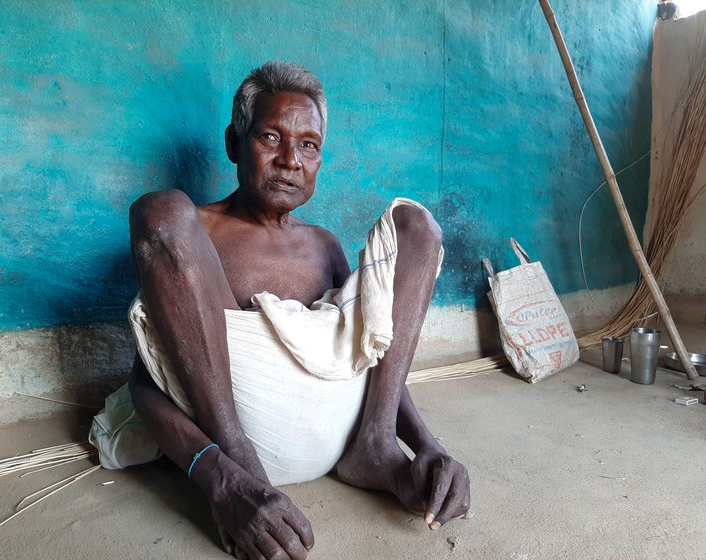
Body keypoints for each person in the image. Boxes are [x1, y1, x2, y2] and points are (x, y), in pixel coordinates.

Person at [126, 61, 470, 560]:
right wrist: (222, 480)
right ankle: (241, 460)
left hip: (344, 434)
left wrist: (428, 445)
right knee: (158, 209)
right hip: (238, 449)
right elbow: (146, 383)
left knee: (417, 225)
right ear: (233, 143)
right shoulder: (191, 235)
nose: (291, 159)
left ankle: (374, 446)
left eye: (308, 145)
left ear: (319, 159)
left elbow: (371, 351)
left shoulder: (323, 246)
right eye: (271, 137)